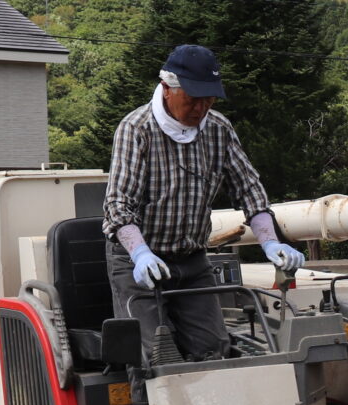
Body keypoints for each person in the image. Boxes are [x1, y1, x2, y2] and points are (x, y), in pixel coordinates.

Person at [102, 43, 304, 371]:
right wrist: (140, 253)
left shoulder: (218, 129)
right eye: (193, 99)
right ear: (168, 89)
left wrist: (270, 241)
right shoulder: (136, 129)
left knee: (215, 350)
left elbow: (249, 189)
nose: (201, 108)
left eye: (208, 99)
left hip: (192, 260)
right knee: (154, 355)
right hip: (138, 262)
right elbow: (118, 204)